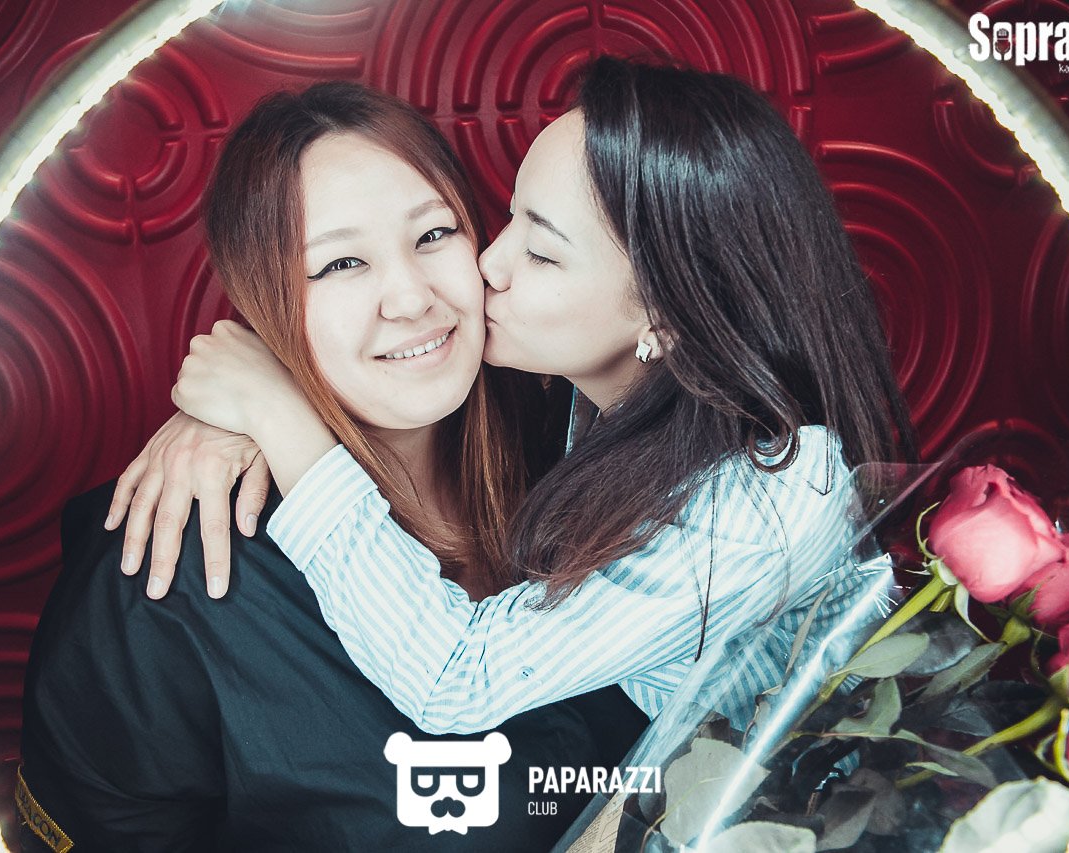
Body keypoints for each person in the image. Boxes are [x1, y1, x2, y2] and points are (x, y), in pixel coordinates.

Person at [116, 56, 917, 737]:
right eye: (503, 222)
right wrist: (230, 404)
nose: (486, 266)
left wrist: (278, 416)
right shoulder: (582, 396)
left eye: (540, 251)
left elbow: (458, 680)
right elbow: (349, 322)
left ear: (667, 316)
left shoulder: (768, 498)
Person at [18, 82, 646, 852]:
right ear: (266, 298)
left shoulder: (575, 429)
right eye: (342, 262)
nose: (410, 299)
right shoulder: (170, 566)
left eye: (433, 234)